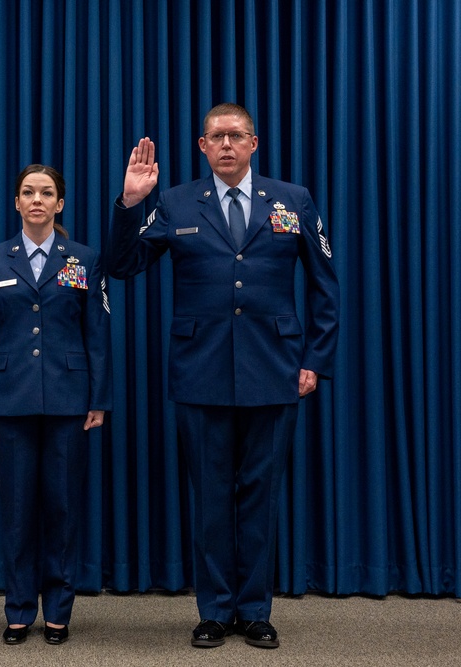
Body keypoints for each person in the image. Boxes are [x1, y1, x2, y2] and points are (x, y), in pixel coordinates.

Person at [107, 103, 339, 649]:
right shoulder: (176, 201)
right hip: (201, 369)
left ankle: (255, 610)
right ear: (202, 146)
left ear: (254, 144)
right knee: (211, 495)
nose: (228, 144)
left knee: (260, 492)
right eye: (218, 137)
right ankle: (214, 610)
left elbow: (325, 286)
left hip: (274, 368)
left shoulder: (293, 199)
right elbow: (122, 266)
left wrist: (314, 360)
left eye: (237, 136)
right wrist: (130, 204)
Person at [0, 165, 112, 646]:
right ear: (16, 202)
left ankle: (58, 610)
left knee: (61, 509)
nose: (36, 200)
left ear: (60, 204)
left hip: (68, 399)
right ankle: (18, 609)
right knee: (16, 511)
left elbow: (96, 332)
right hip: (10, 400)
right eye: (27, 192)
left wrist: (99, 397)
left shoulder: (82, 258)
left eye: (47, 193)